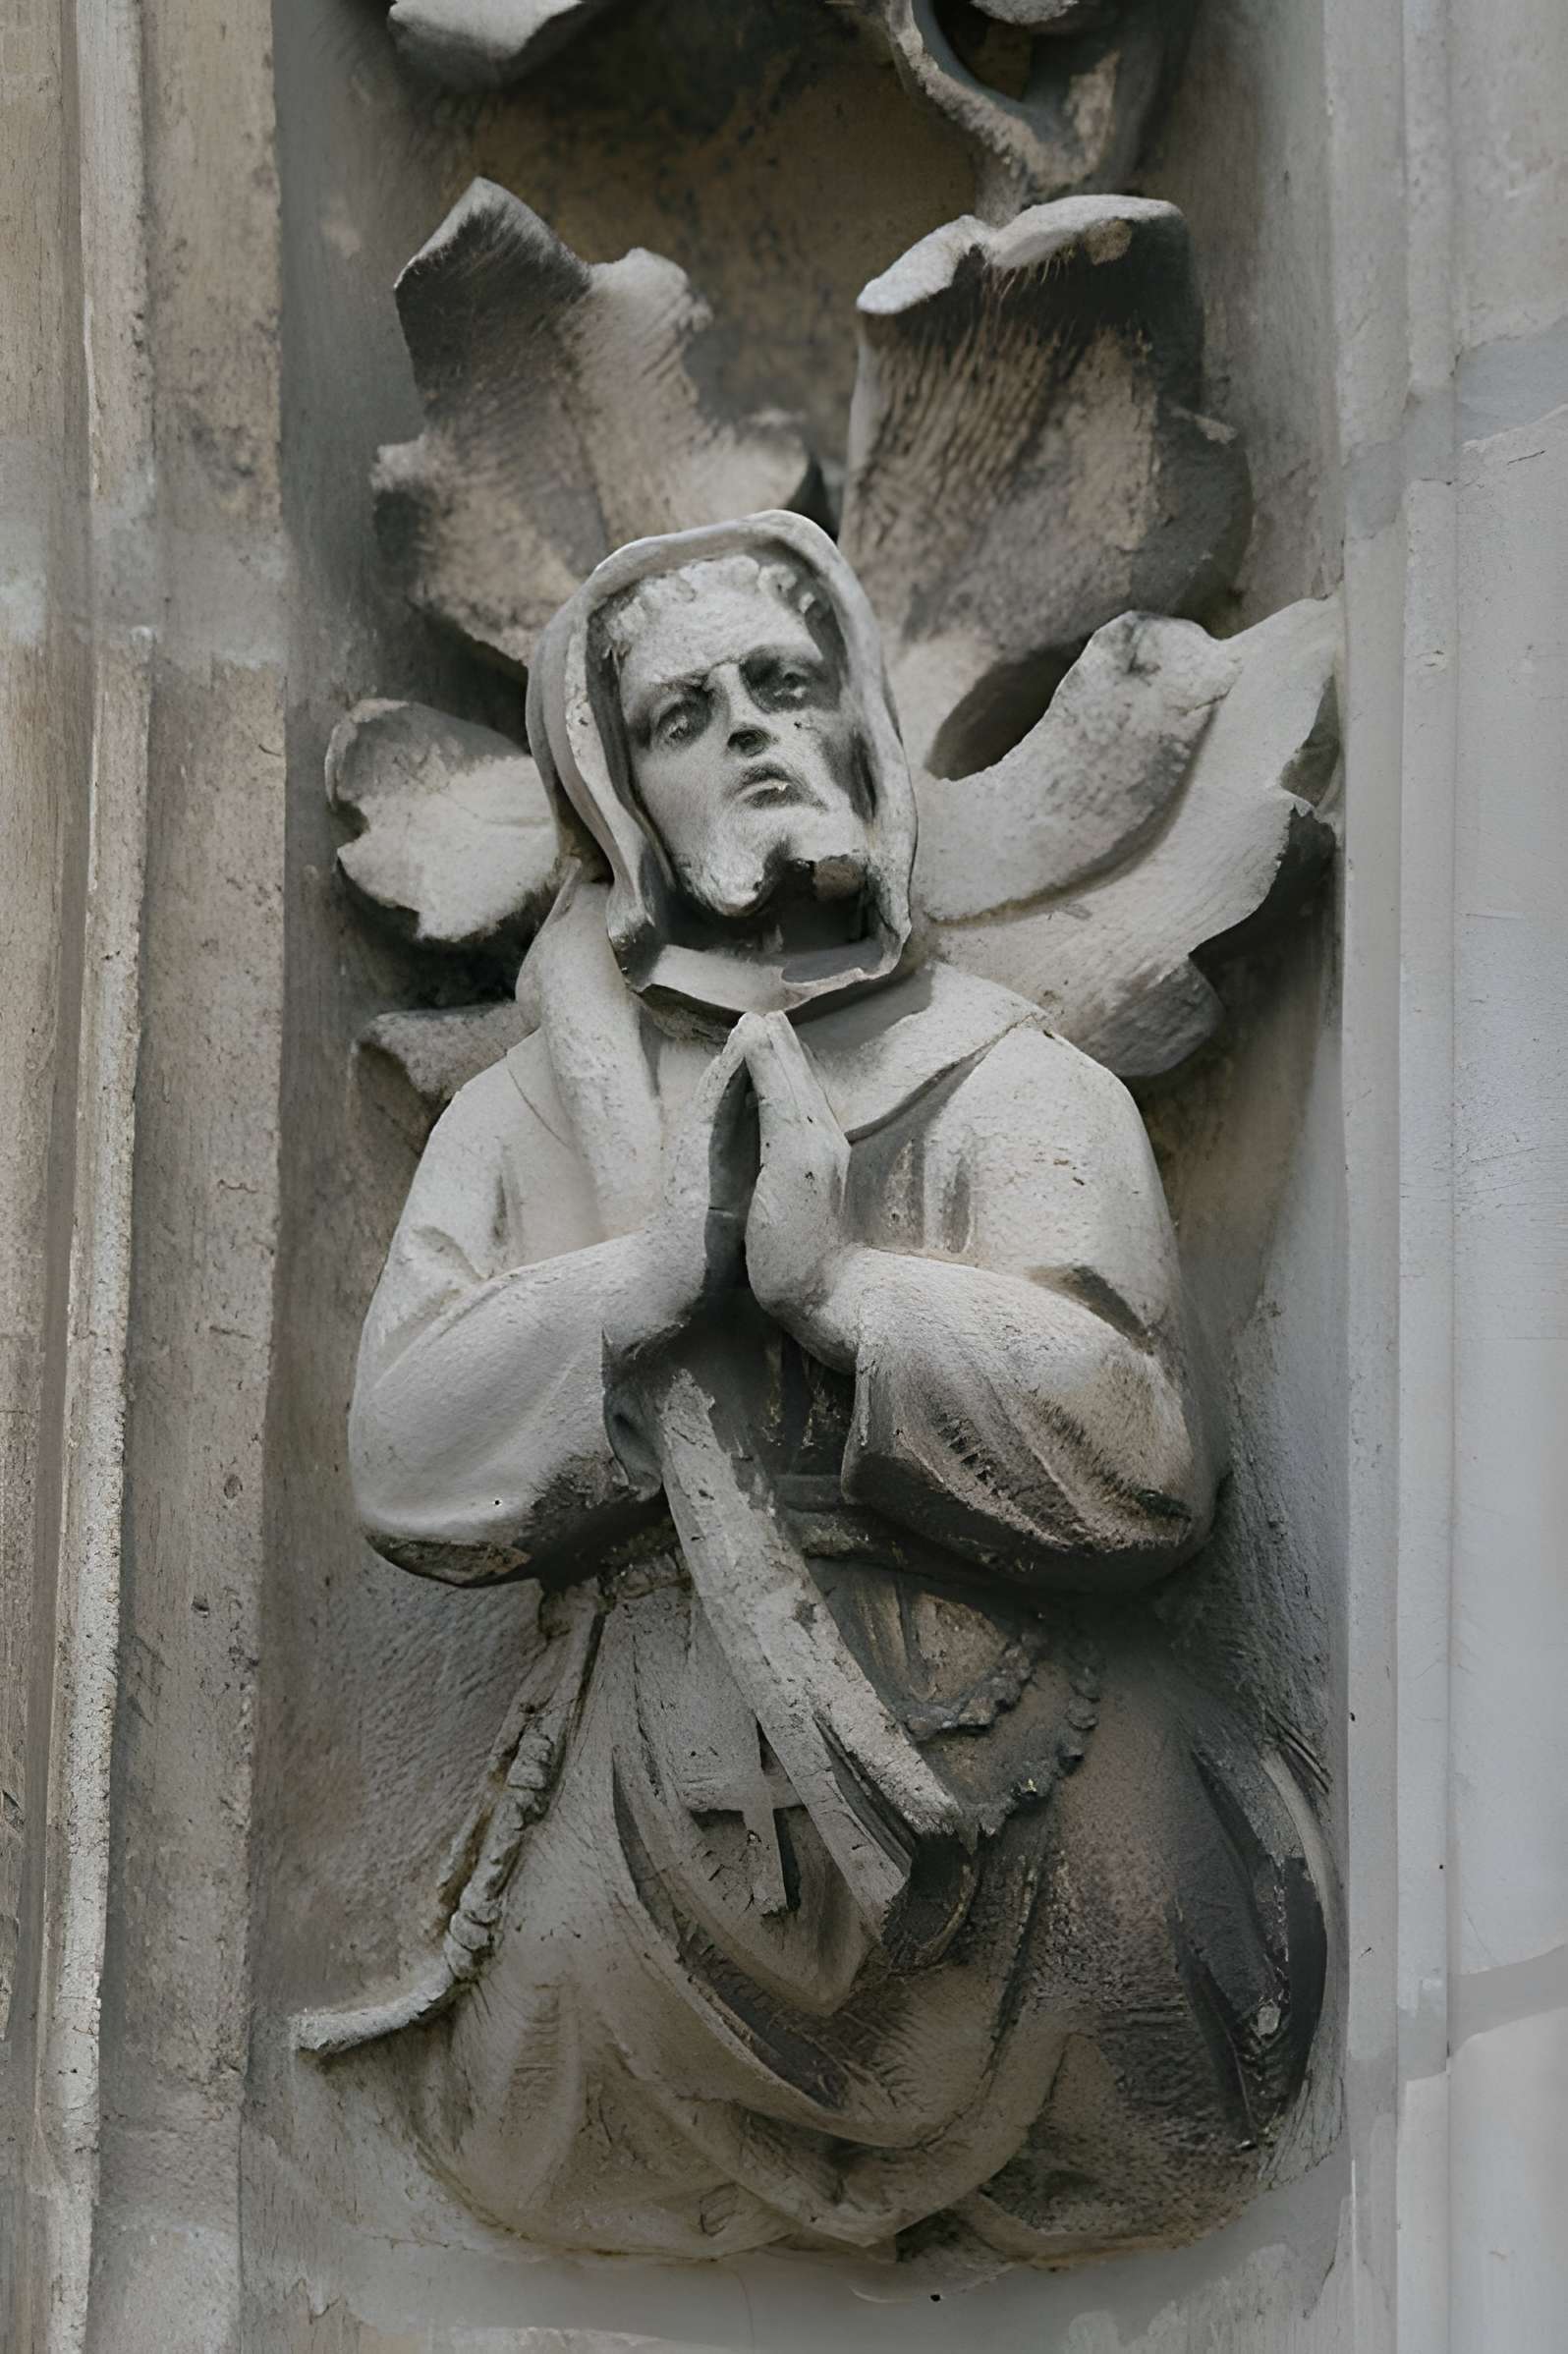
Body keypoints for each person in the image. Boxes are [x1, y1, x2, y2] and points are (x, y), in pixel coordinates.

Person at [339, 513, 1326, 2269]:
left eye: (786, 684)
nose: (753, 731)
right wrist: (641, 1284)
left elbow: (1140, 1455)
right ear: (622, 796)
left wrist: (840, 1295)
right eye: (684, 712)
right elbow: (406, 1456)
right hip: (637, 1867)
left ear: (859, 723)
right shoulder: (530, 1118)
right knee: (509, 2133)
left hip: (1035, 1837)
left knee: (1180, 2070)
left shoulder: (1013, 1079)